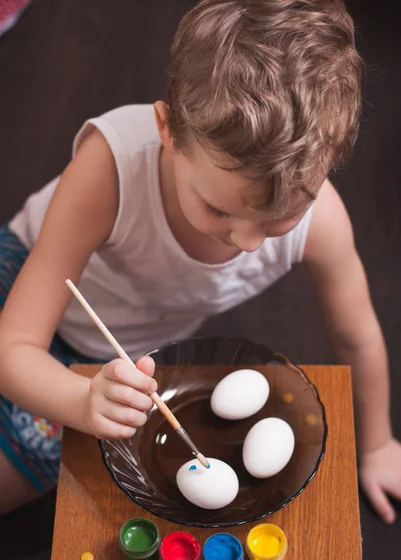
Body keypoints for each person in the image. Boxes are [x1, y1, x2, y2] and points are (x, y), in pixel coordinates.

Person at [0, 0, 400, 524]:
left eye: (282, 217)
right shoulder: (111, 169)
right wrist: (80, 402)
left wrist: (375, 446)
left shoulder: (320, 220)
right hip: (23, 285)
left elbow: (358, 337)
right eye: (219, 209)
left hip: (121, 366)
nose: (250, 243)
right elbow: (13, 347)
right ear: (167, 130)